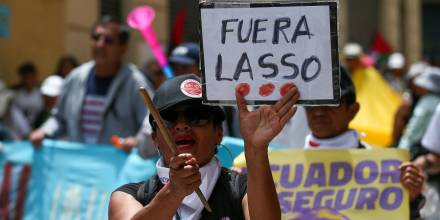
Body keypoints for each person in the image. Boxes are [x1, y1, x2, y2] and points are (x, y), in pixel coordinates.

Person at [109, 74, 299, 220]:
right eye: (168, 119)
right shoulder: (128, 196)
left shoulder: (243, 190)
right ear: (155, 138)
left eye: (197, 116)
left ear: (219, 133)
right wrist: (173, 192)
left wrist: (255, 148)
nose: (181, 125)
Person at [303, 67, 425, 219]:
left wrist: (410, 202)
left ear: (353, 110)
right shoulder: (279, 168)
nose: (318, 111)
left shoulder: (387, 170)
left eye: (331, 103)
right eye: (310, 104)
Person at [29, 15, 153, 153]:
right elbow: (59, 119)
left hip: (118, 170)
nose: (100, 44)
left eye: (108, 40)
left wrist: (137, 142)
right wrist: (44, 132)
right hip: (80, 168)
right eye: (96, 38)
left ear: (123, 48)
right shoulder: (75, 78)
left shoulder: (135, 82)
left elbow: (151, 123)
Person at [398, 67, 440, 157]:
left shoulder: (427, 102)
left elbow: (414, 130)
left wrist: (402, 150)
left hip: (419, 151)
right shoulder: (436, 101)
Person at [12, 62, 44, 127]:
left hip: (39, 125)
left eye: (30, 77)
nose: (28, 80)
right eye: (25, 77)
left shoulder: (41, 92)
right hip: (20, 127)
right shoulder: (16, 94)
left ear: (35, 77)